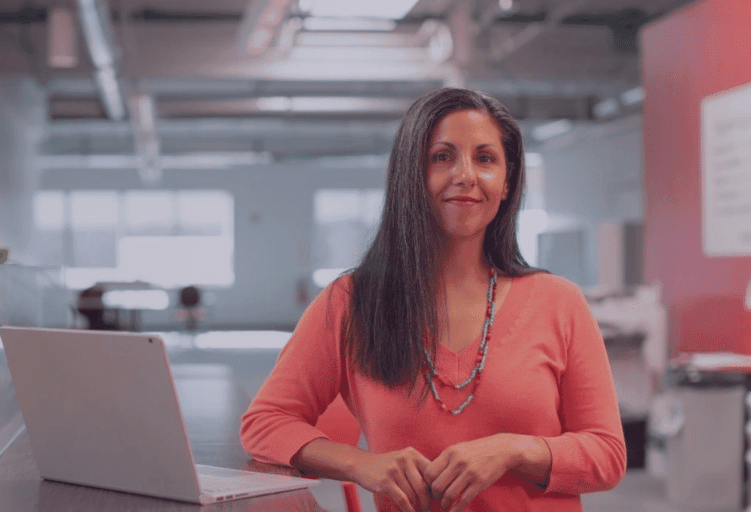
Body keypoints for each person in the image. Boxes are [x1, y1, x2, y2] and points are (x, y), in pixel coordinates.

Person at [240, 88, 626, 512]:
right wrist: (360, 464)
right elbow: (264, 423)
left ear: (507, 180)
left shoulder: (560, 302)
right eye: (442, 157)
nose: (465, 175)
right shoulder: (350, 303)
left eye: (485, 158)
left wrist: (514, 450)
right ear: (412, 174)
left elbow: (607, 455)